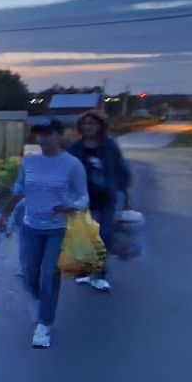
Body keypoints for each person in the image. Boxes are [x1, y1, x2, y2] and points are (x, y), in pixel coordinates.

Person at [1, 118, 89, 349]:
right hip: (31, 227)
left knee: (49, 274)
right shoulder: (29, 162)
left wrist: (72, 206)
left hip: (57, 229)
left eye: (48, 133)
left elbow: (84, 197)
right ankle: (41, 303)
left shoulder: (72, 165)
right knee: (29, 274)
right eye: (39, 133)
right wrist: (4, 215)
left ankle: (44, 324)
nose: (43, 138)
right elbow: (18, 190)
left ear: (59, 135)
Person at [68, 110, 131, 293]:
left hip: (106, 196)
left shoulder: (109, 145)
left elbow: (120, 168)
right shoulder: (75, 148)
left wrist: (123, 190)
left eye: (92, 123)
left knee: (104, 235)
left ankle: (101, 275)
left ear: (100, 126)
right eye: (85, 124)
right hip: (83, 198)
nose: (89, 127)